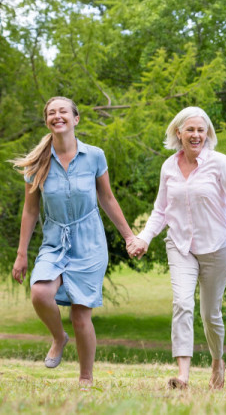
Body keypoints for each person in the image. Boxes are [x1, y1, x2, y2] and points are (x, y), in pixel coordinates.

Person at [127, 107, 226, 390]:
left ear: (207, 134)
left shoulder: (220, 163)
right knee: (182, 303)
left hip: (217, 246)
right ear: (179, 133)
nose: (196, 135)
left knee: (210, 314)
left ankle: (217, 360)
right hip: (180, 245)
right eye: (190, 130)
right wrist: (145, 238)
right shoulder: (168, 167)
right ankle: (183, 374)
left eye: (201, 130)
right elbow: (160, 210)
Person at [11, 96, 136, 389]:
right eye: (51, 113)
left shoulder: (95, 156)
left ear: (75, 118)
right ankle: (58, 337)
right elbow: (30, 211)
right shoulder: (37, 162)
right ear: (47, 121)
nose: (58, 116)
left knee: (81, 315)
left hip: (90, 243)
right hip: (54, 241)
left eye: (63, 111)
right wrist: (21, 254)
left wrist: (129, 236)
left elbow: (107, 198)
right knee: (41, 291)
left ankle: (85, 378)